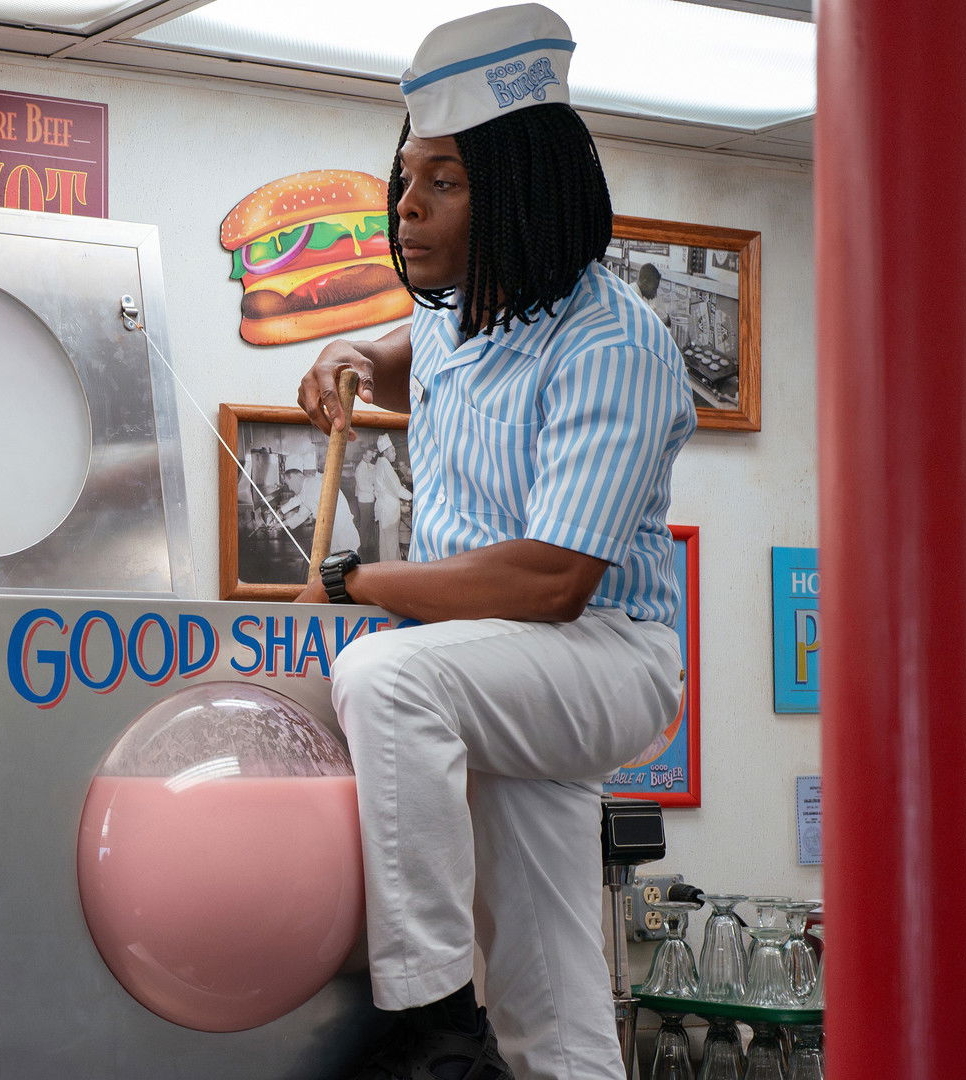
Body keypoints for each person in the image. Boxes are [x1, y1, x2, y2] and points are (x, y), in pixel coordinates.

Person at [294, 7, 693, 1080]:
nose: (408, 208)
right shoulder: (456, 311)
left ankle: (432, 1022)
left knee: (385, 677)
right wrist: (348, 356)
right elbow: (407, 355)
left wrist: (355, 580)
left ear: (520, 193)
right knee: (553, 1004)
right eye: (406, 179)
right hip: (498, 667)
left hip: (602, 654)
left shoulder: (614, 343)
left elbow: (552, 579)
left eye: (446, 183)